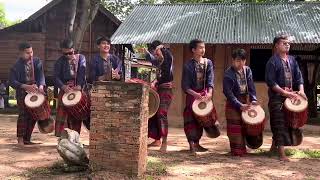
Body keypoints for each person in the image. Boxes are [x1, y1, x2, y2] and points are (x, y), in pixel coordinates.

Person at [265, 34, 306, 161]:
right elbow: (271, 83)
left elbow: (299, 77)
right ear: (276, 46)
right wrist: (285, 93)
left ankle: (273, 148)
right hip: (277, 97)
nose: (287, 44)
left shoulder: (292, 60)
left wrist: (301, 91)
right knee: (279, 123)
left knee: (287, 122)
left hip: (291, 96)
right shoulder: (272, 61)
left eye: (288, 43)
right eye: (284, 43)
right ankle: (281, 154)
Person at [181, 39, 217, 153]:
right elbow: (185, 86)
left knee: (201, 119)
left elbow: (210, 80)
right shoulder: (187, 65)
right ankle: (191, 144)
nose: (203, 50)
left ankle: (197, 144)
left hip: (204, 94)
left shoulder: (208, 63)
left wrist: (210, 92)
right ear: (193, 50)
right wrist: (195, 94)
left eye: (204, 47)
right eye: (200, 47)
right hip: (193, 95)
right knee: (190, 119)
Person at [223, 48, 259, 156]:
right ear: (233, 60)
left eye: (243, 60)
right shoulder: (228, 73)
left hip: (245, 101)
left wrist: (253, 99)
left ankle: (243, 149)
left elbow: (251, 86)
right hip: (233, 103)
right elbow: (227, 92)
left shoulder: (247, 70)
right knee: (235, 127)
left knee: (244, 126)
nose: (241, 63)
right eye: (238, 60)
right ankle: (236, 150)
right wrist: (239, 105)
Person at [9, 42, 46, 145]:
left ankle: (27, 139)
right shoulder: (16, 66)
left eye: (31, 52)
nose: (30, 55)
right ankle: (20, 139)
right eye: (27, 53)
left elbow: (41, 76)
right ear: (21, 53)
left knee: (33, 116)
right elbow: (12, 82)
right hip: (22, 92)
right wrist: (25, 86)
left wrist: (41, 86)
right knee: (23, 115)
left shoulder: (37, 61)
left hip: (35, 91)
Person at [54, 39, 87, 137]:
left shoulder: (81, 58)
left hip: (78, 88)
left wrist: (80, 85)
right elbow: (55, 77)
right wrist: (63, 87)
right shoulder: (59, 61)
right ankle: (63, 139)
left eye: (70, 53)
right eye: (65, 54)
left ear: (73, 49)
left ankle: (75, 138)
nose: (68, 55)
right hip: (65, 89)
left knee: (77, 115)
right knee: (63, 116)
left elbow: (82, 72)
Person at [145, 40, 174, 152]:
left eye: (156, 53)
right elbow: (154, 61)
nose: (155, 56)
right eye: (154, 54)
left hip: (166, 89)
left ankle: (165, 142)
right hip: (159, 88)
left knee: (162, 114)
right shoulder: (160, 60)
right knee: (154, 114)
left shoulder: (167, 55)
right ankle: (157, 140)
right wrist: (155, 82)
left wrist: (160, 49)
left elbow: (165, 59)